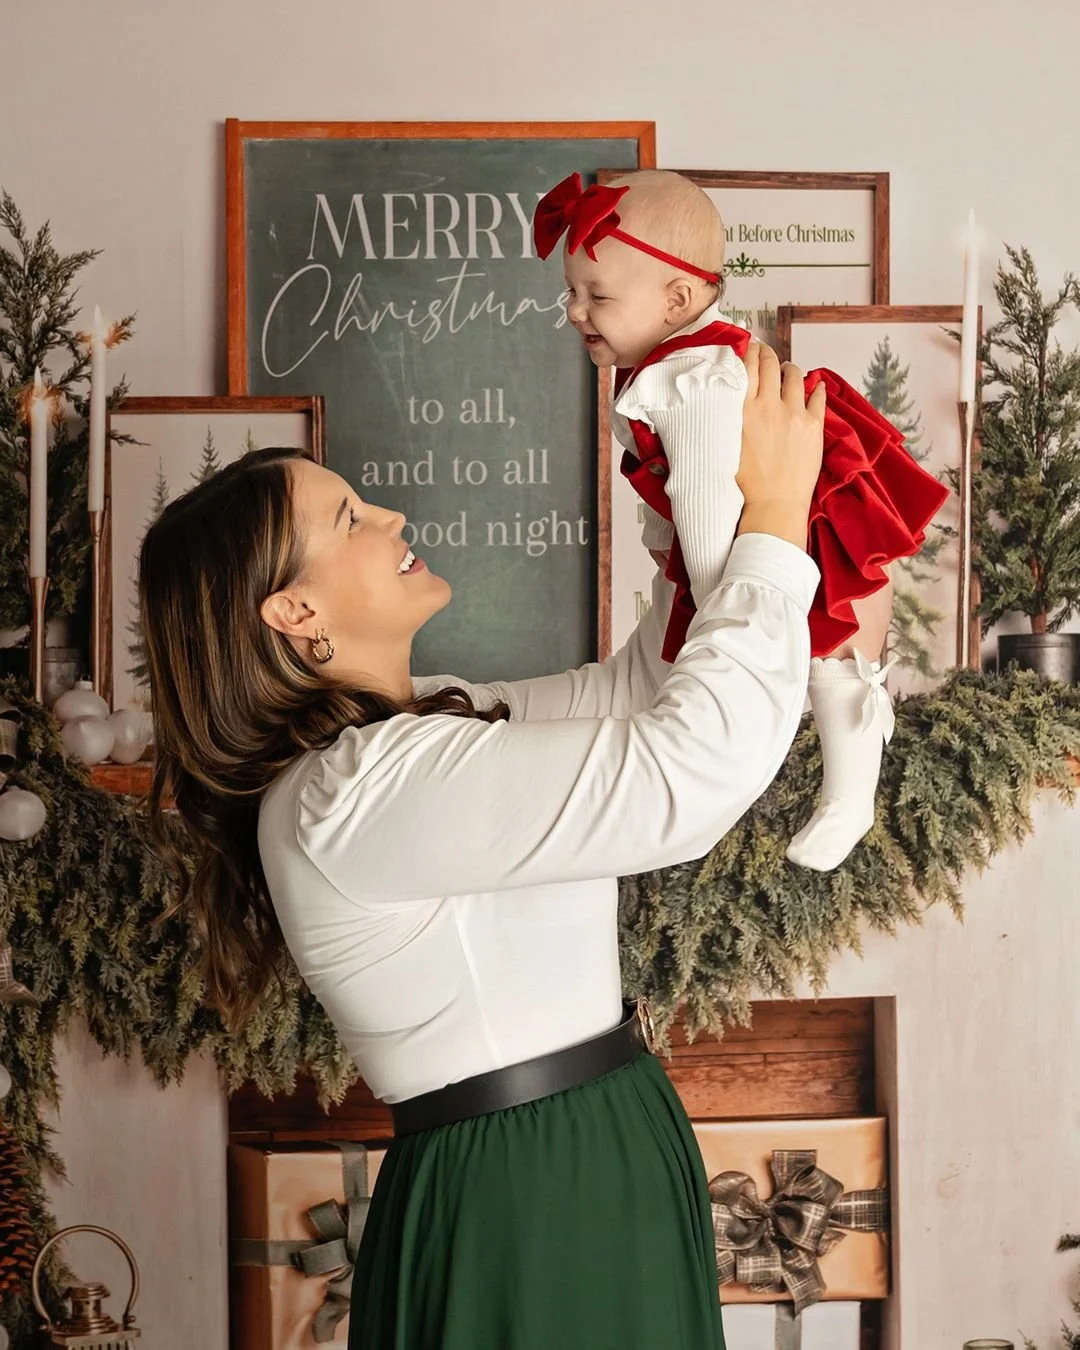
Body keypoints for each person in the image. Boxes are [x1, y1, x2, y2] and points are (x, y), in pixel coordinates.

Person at [139, 343, 824, 1350]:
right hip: (526, 1193)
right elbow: (690, 775)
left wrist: (710, 473)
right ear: (295, 613)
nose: (394, 520)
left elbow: (642, 689)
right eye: (351, 521)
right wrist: (778, 519)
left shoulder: (417, 735)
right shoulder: (355, 793)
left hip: (584, 1156)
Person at [535, 168, 950, 870]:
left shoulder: (687, 382)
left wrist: (720, 613)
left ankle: (850, 794)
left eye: (596, 295)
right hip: (780, 518)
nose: (575, 310)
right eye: (572, 293)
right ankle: (848, 787)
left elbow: (704, 501)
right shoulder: (679, 361)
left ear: (678, 299)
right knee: (836, 652)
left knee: (829, 651)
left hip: (791, 525)